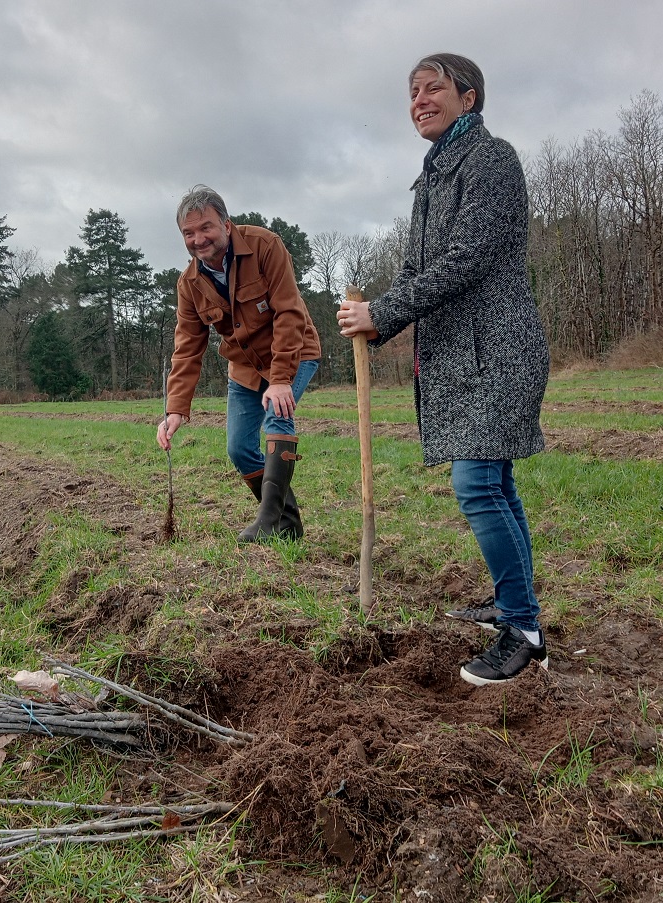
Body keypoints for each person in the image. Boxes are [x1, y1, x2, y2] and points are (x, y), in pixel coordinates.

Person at [337, 54, 550, 686]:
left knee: (476, 485)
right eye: (412, 92)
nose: (421, 100)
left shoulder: (490, 159)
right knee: (496, 484)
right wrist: (378, 322)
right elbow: (415, 273)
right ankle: (514, 606)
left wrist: (385, 309)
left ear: (469, 98)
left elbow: (467, 259)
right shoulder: (431, 178)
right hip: (459, 357)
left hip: (497, 352)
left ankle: (523, 631)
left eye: (434, 89)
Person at [158, 185, 321, 542]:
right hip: (245, 368)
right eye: (189, 233)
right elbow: (187, 348)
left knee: (278, 413)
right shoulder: (189, 285)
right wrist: (175, 409)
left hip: (293, 351)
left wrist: (280, 379)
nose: (198, 239)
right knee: (238, 447)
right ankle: (287, 522)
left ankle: (266, 522)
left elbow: (289, 313)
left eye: (206, 228)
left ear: (226, 225)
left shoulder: (265, 246)